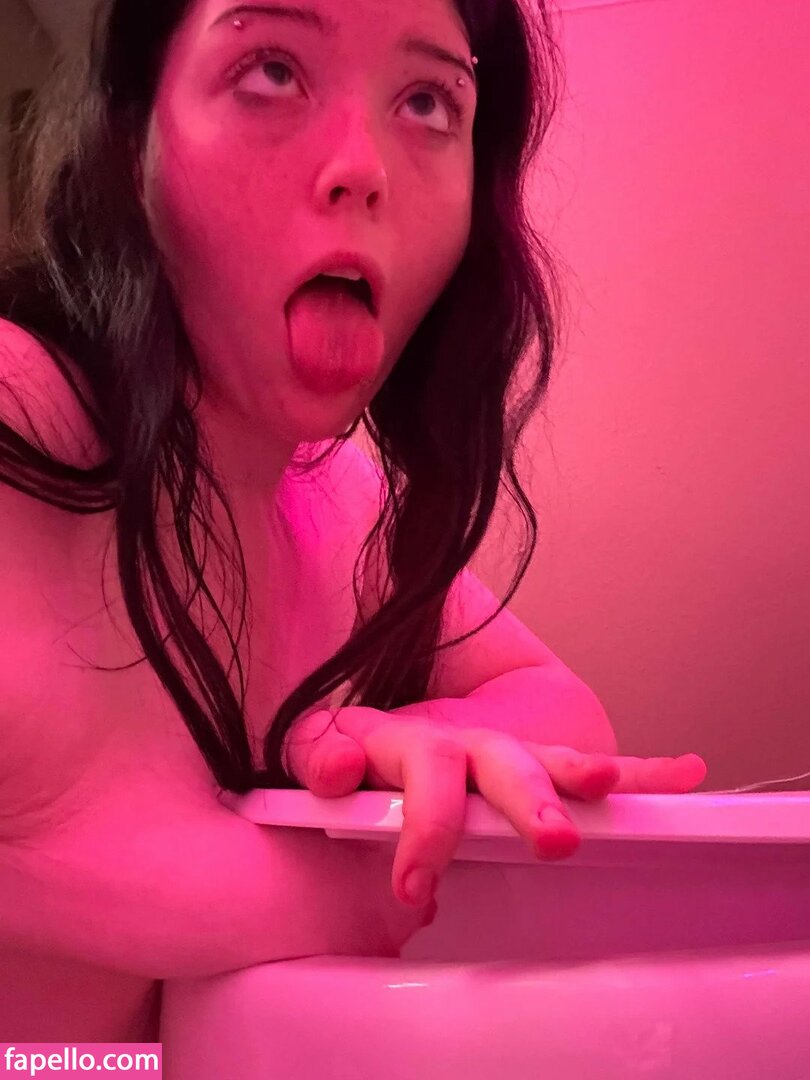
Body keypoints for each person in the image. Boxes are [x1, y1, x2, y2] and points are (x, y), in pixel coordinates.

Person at [0, 0, 705, 1042]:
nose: (362, 168)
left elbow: (560, 705)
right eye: (271, 72)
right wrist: (375, 886)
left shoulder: (332, 494)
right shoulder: (20, 414)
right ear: (134, 128)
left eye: (427, 102)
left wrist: (414, 741)